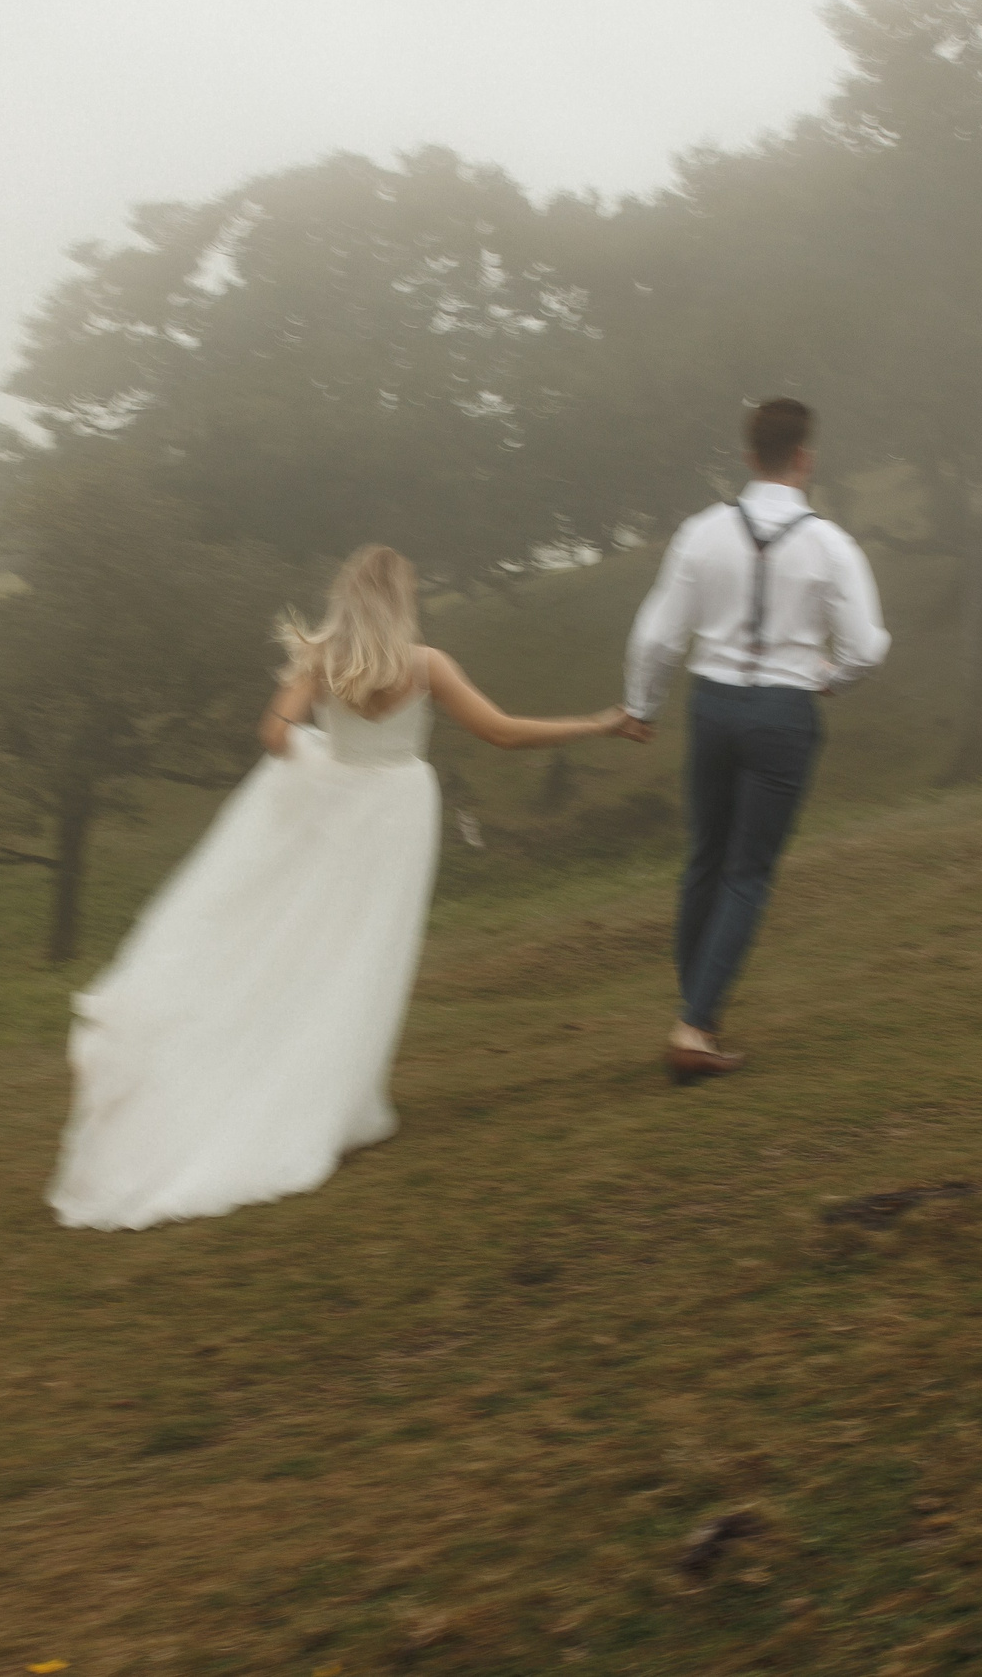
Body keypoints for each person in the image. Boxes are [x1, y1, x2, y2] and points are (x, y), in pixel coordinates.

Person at [49, 544, 640, 1230]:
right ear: (401, 600)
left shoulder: (321, 658)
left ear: (348, 598)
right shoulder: (426, 665)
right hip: (395, 816)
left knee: (307, 949)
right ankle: (328, 1100)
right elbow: (501, 733)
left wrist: (323, 763)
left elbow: (274, 733)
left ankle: (297, 1088)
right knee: (359, 957)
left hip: (338, 813)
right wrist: (597, 722)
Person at [622, 398, 890, 1082]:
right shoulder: (830, 543)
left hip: (712, 706)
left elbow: (656, 635)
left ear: (748, 457)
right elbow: (866, 645)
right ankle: (696, 1024)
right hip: (783, 711)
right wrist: (829, 677)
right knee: (748, 871)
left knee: (705, 860)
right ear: (805, 457)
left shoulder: (702, 532)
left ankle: (696, 1010)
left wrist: (642, 704)